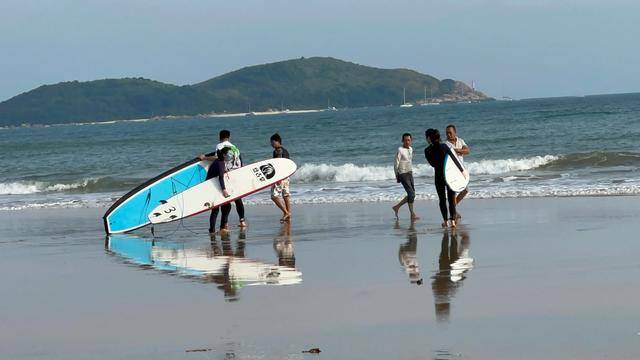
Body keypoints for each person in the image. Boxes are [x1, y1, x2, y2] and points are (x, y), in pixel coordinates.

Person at [425, 129, 457, 228]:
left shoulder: (427, 150)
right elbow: (454, 159)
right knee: (451, 199)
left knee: (442, 199)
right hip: (449, 175)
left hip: (438, 176)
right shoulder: (444, 146)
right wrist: (461, 172)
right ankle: (453, 222)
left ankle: (445, 221)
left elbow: (433, 164)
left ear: (429, 138)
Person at [215, 130, 247, 228]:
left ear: (220, 137)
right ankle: (242, 221)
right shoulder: (235, 148)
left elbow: (218, 158)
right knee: (238, 199)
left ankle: (225, 223)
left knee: (226, 199)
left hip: (227, 173)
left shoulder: (219, 146)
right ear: (229, 137)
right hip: (236, 173)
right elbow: (241, 162)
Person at [200, 148, 232, 234]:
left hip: (209, 187)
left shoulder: (218, 160)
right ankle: (221, 228)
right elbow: (221, 178)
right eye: (229, 154)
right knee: (226, 206)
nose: (231, 155)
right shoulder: (220, 164)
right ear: (224, 155)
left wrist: (205, 157)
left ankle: (212, 229)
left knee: (216, 209)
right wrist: (224, 190)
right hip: (212, 188)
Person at [392, 133, 419, 221]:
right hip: (403, 174)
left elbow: (409, 161)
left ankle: (397, 207)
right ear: (402, 141)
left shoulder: (411, 149)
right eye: (405, 140)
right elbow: (396, 163)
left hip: (410, 173)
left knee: (412, 195)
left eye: (409, 140)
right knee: (411, 194)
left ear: (411, 140)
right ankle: (411, 214)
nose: (407, 142)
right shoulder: (400, 150)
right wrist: (397, 175)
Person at [445, 124, 470, 208]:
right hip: (452, 171)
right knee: (453, 192)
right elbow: (449, 154)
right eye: (447, 133)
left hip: (461, 170)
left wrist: (458, 150)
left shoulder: (460, 141)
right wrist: (460, 151)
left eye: (450, 133)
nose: (448, 135)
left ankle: (453, 208)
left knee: (465, 190)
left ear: (455, 132)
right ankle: (453, 212)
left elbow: (467, 151)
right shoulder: (446, 144)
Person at [270, 133, 291, 222]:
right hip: (286, 176)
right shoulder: (285, 150)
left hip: (281, 177)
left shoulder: (278, 151)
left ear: (278, 142)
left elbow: (278, 165)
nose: (271, 144)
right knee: (285, 195)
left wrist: (276, 178)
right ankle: (288, 214)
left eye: (272, 142)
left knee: (274, 196)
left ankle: (286, 212)